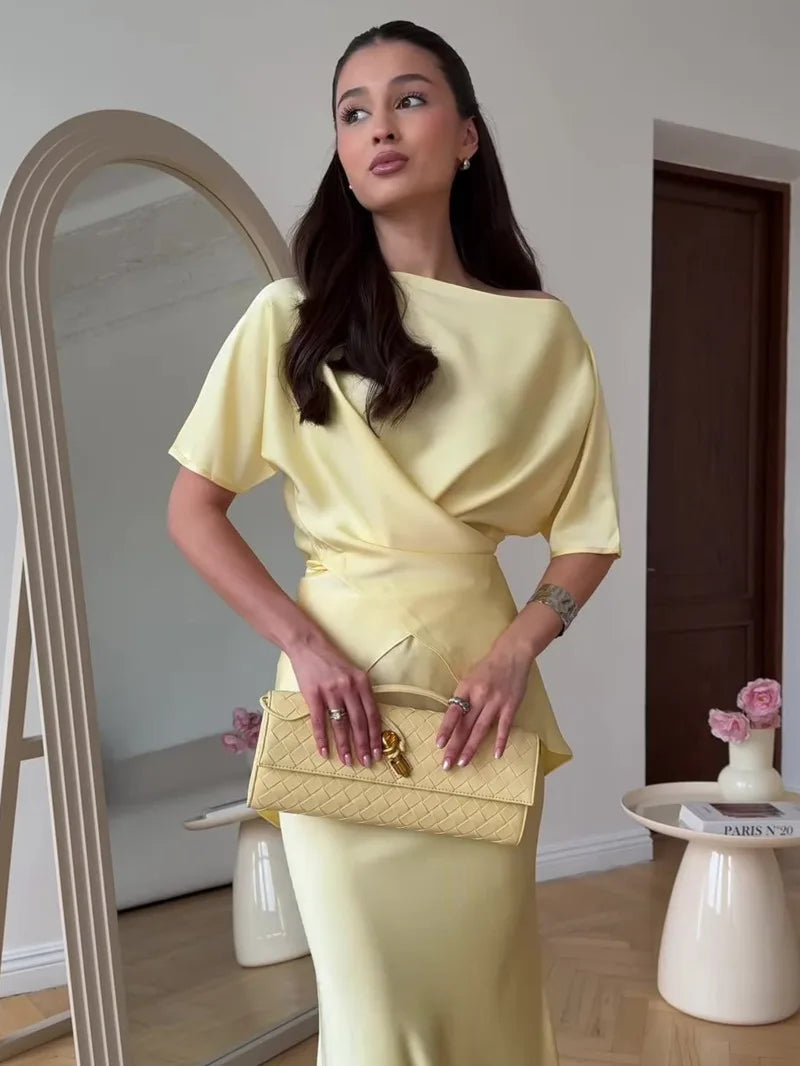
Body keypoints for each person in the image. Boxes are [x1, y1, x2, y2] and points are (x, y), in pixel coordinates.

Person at [166, 19, 620, 1066]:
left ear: (465, 136)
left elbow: (585, 535)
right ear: (339, 147)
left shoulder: (541, 333)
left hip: (479, 695)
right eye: (353, 110)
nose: (378, 126)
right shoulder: (288, 318)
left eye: (408, 100)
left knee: (484, 997)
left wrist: (516, 650)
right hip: (340, 694)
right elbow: (193, 507)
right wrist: (307, 645)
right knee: (373, 1016)